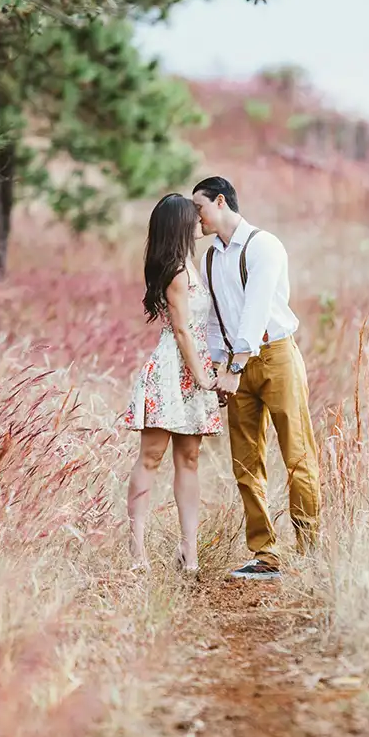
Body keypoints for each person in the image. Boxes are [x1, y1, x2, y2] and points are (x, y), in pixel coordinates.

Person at [191, 176, 321, 581]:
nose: (196, 217)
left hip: (275, 356)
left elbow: (256, 309)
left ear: (220, 201)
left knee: (297, 453)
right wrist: (219, 368)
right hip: (235, 366)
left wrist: (235, 367)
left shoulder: (263, 245)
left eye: (199, 208)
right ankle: (266, 554)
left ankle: (310, 551)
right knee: (245, 461)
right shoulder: (209, 259)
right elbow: (214, 321)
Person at [122, 193, 222, 574]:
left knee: (189, 459)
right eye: (191, 216)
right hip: (172, 369)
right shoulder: (177, 272)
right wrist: (202, 376)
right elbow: (181, 330)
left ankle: (188, 549)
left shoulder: (190, 265)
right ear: (179, 225)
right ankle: (137, 551)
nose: (198, 220)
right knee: (151, 457)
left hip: (191, 367)